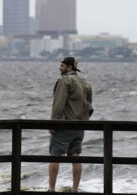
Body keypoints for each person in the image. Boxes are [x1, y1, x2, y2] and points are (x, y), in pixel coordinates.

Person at [48, 57, 93, 193]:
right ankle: (75, 190)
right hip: (79, 126)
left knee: (55, 156)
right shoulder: (85, 83)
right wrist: (83, 120)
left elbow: (58, 104)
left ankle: (51, 189)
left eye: (62, 66)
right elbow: (89, 106)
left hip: (64, 126)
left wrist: (53, 123)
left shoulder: (65, 81)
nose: (60, 68)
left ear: (69, 68)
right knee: (76, 156)